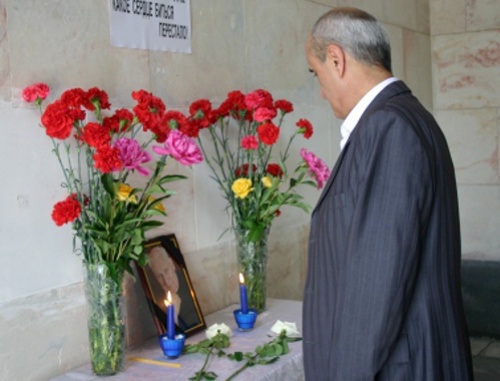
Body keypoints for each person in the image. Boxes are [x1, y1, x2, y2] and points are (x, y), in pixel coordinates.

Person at [302, 7, 474, 380]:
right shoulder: (408, 116)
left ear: (337, 59)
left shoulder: (389, 127)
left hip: (402, 366)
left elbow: (373, 289)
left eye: (317, 73)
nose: (320, 89)